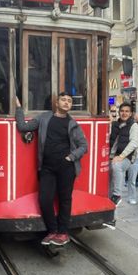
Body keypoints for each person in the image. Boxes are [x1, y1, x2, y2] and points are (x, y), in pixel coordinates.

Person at [15, 92, 88, 246]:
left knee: (65, 200)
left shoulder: (72, 123)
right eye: (64, 100)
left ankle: (63, 233)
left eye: (69, 101)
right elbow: (23, 127)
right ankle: (52, 231)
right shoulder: (44, 118)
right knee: (44, 199)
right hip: (47, 167)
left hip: (66, 168)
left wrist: (71, 157)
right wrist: (19, 108)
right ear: (57, 103)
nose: (66, 102)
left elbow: (84, 146)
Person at [109, 102, 138, 205]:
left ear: (130, 113)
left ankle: (117, 195)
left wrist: (121, 156)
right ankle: (109, 197)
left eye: (127, 111)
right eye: (122, 111)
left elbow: (134, 143)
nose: (124, 113)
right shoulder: (114, 124)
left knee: (116, 165)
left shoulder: (134, 125)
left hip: (127, 157)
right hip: (112, 155)